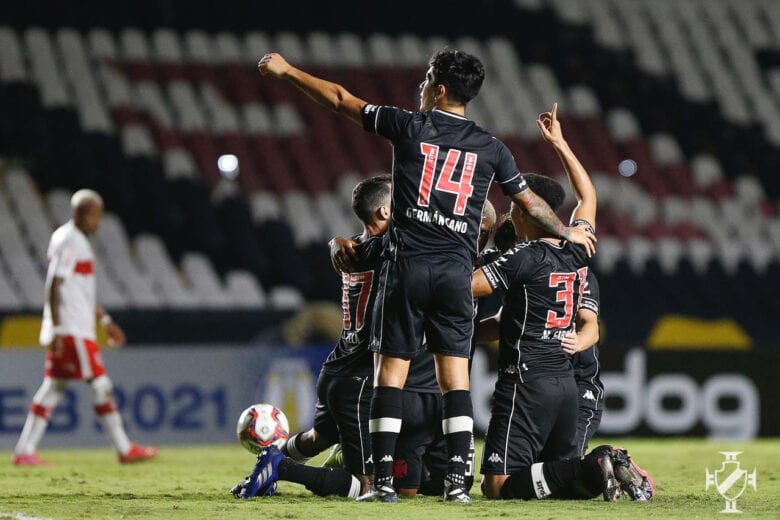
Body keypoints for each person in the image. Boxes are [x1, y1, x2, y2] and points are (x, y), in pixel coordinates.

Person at [257, 49, 595, 503]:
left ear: (438, 88)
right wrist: (565, 231)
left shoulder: (409, 126)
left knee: (389, 374)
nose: (419, 87)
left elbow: (340, 99)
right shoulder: (492, 147)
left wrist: (287, 71)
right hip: (457, 274)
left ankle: (381, 485)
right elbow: (531, 203)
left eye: (425, 79)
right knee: (456, 380)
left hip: (408, 266)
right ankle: (458, 485)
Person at [471, 104, 652, 501]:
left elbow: (470, 287)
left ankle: (600, 458)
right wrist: (560, 143)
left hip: (526, 379)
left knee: (497, 487)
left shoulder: (523, 257)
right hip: (564, 383)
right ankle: (595, 468)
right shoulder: (578, 249)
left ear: (526, 212)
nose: (510, 215)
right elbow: (588, 196)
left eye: (515, 209)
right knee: (562, 483)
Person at [12, 190, 157, 466]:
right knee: (100, 383)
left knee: (53, 388)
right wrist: (56, 329)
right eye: (95, 216)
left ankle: (23, 451)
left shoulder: (71, 240)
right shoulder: (70, 241)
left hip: (76, 326)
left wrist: (105, 320)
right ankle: (125, 449)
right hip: (72, 329)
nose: (98, 223)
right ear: (80, 213)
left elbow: (81, 291)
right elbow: (53, 286)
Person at [563, 271, 604, 457]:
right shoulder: (524, 266)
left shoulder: (581, 275)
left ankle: (610, 462)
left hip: (579, 385)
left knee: (565, 469)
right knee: (496, 484)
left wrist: (578, 342)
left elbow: (591, 327)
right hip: (537, 386)